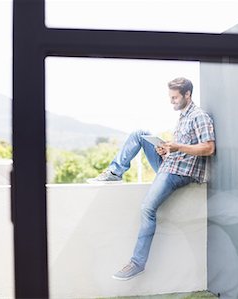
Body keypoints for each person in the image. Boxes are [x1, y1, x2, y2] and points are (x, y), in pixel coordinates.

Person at [87, 77, 216, 280]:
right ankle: (115, 172)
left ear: (187, 94)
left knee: (147, 208)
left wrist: (177, 147)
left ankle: (137, 263)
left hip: (179, 173)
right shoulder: (183, 117)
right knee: (140, 134)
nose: (171, 101)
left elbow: (208, 148)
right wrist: (165, 150)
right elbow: (179, 149)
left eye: (174, 97)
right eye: (170, 97)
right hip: (170, 163)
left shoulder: (199, 116)